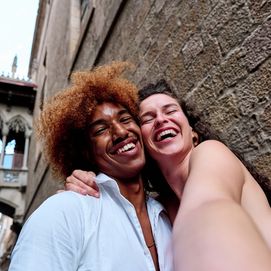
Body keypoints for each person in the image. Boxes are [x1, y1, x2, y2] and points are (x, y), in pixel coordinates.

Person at [66, 79, 271, 270]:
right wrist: (85, 187)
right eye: (148, 118)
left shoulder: (211, 153)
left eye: (170, 110)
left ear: (193, 132)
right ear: (143, 143)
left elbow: (208, 207)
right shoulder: (159, 210)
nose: (161, 120)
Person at [8, 62, 173, 271]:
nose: (121, 132)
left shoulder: (168, 215)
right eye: (101, 130)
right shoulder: (65, 213)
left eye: (125, 119)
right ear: (86, 151)